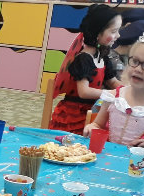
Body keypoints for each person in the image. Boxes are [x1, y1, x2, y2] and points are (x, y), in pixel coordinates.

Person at [49, 4, 122, 134]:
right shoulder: (84, 58)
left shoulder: (102, 56)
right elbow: (84, 91)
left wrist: (128, 91)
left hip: (94, 110)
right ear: (98, 33)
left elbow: (112, 81)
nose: (118, 36)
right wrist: (111, 94)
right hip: (75, 115)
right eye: (113, 31)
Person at [84, 34, 144, 150]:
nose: (138, 69)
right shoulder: (113, 97)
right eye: (135, 61)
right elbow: (98, 124)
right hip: (107, 157)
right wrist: (92, 127)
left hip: (142, 161)